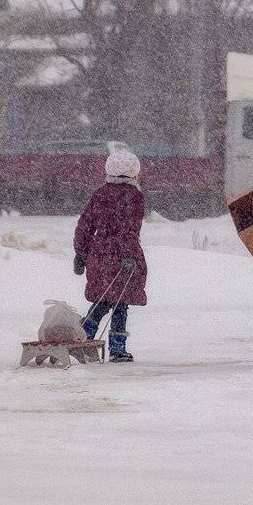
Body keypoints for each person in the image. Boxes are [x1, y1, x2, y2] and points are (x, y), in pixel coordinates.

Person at [73, 150, 148, 363]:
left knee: (101, 301)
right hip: (121, 258)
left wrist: (81, 252)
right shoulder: (134, 197)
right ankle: (117, 349)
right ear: (134, 172)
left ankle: (83, 339)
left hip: (99, 255)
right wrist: (129, 255)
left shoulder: (100, 194)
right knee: (120, 303)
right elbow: (129, 230)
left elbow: (85, 224)